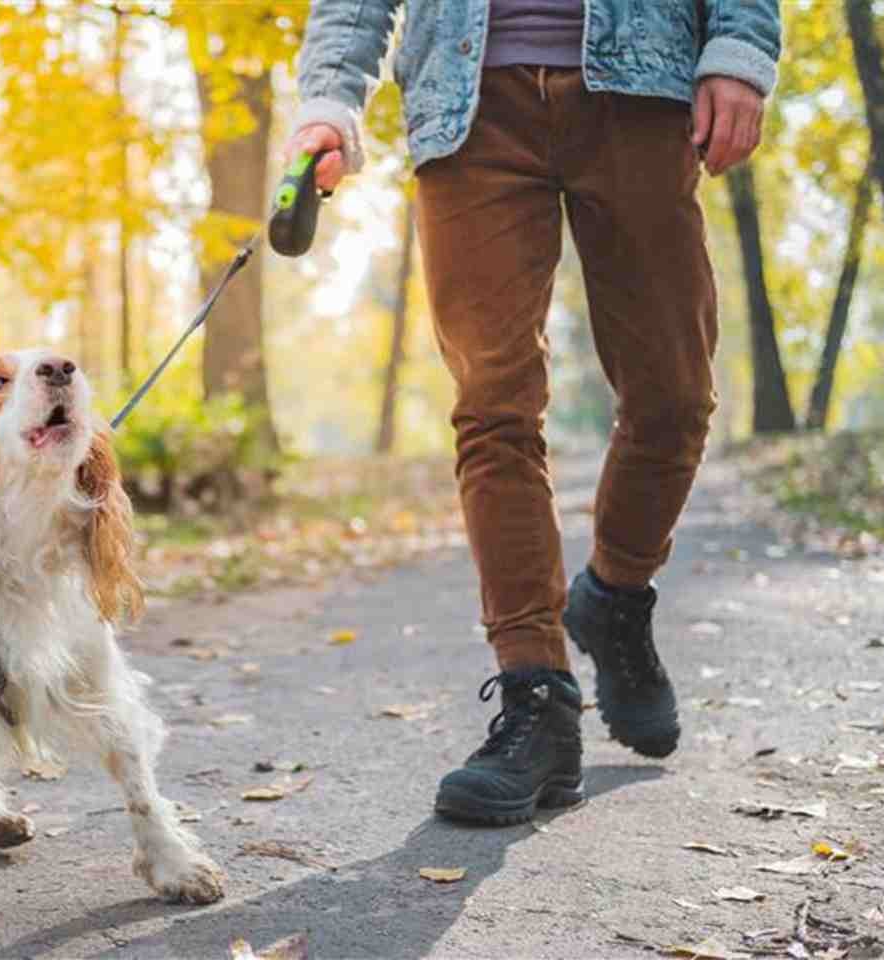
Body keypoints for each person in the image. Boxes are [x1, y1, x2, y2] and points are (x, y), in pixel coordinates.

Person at [287, 0, 781, 825]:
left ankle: (616, 596)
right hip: (467, 102)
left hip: (642, 87)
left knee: (674, 395)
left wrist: (738, 45)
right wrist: (330, 100)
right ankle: (536, 694)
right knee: (493, 405)